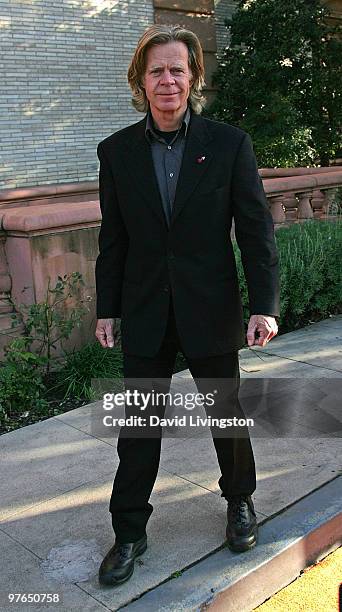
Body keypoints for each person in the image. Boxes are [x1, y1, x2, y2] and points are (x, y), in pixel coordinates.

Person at [94, 24, 279, 587]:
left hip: (210, 307)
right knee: (140, 427)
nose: (167, 79)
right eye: (157, 71)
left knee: (227, 418)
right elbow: (115, 240)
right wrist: (108, 308)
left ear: (193, 76)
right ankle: (128, 532)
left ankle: (241, 503)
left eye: (178, 68)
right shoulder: (117, 151)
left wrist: (264, 304)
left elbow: (255, 231)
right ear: (141, 81)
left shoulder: (228, 145)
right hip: (146, 308)